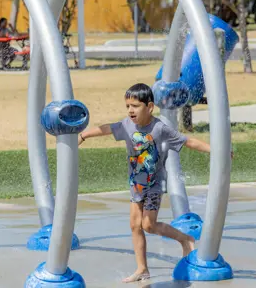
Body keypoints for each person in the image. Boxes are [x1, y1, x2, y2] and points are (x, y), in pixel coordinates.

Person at [78, 83, 233, 283]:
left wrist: (217, 150)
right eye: (127, 106)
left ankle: (185, 239)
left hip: (153, 185)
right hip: (136, 185)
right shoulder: (126, 125)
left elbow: (188, 142)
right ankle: (142, 269)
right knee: (135, 226)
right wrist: (83, 135)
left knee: (148, 225)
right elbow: (106, 129)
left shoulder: (159, 128)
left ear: (149, 107)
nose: (130, 110)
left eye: (135, 106)